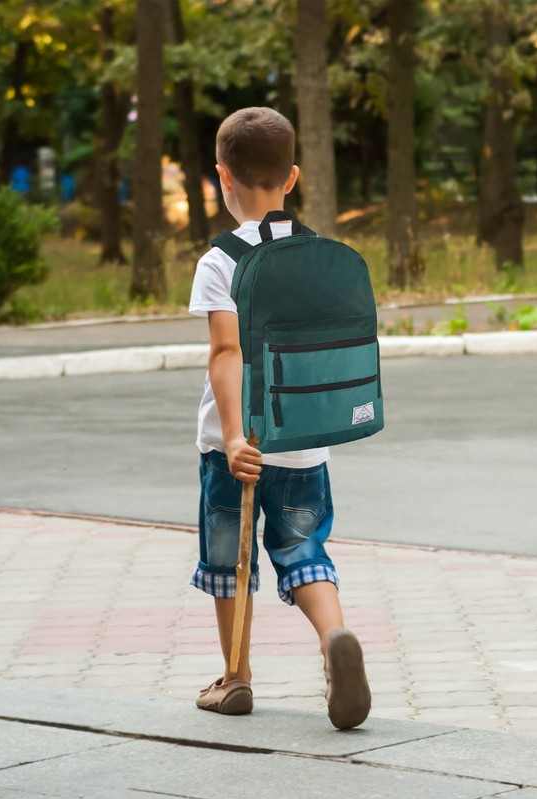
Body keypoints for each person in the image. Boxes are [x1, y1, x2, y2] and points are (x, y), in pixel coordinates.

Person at [187, 107, 371, 730]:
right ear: (291, 177)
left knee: (227, 562)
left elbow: (226, 353)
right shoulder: (317, 257)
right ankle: (333, 638)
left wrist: (236, 436)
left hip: (232, 447)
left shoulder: (220, 262)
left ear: (222, 178)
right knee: (301, 548)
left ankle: (236, 677)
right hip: (303, 444)